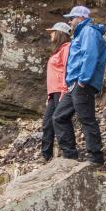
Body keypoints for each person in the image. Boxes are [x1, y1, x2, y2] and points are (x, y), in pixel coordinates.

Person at [53, 5, 106, 165]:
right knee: (59, 117)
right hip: (75, 84)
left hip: (82, 82)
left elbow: (90, 55)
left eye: (72, 18)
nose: (69, 21)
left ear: (81, 18)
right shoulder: (79, 34)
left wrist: (83, 80)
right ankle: (70, 157)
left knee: (86, 119)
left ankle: (95, 158)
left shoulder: (88, 31)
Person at [42, 22, 72, 161]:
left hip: (61, 91)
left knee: (60, 120)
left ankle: (68, 154)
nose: (51, 34)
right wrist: (49, 95)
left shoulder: (66, 48)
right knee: (47, 123)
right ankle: (46, 156)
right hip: (53, 92)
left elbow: (67, 69)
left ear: (60, 33)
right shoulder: (57, 51)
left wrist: (65, 90)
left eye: (53, 32)